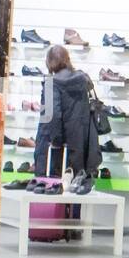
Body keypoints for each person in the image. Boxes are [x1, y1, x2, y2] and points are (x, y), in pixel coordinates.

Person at [36, 45, 100, 180]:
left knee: (50, 190)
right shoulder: (83, 80)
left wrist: (56, 141)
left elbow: (52, 116)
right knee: (75, 188)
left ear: (49, 61)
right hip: (79, 146)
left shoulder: (51, 84)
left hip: (55, 151)